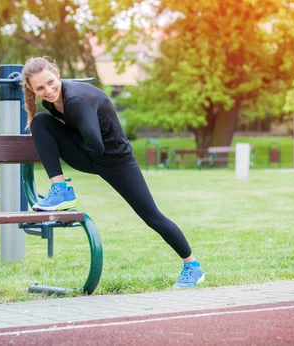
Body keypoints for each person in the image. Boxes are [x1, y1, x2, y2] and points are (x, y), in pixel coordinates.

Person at [21, 56, 204, 288]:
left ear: (56, 73)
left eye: (50, 82)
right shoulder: (50, 103)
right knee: (40, 123)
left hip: (117, 161)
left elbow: (97, 144)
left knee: (151, 216)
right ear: (31, 89)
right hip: (90, 156)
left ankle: (192, 266)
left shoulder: (76, 98)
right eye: (40, 88)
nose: (48, 90)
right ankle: (60, 189)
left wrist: (74, 145)